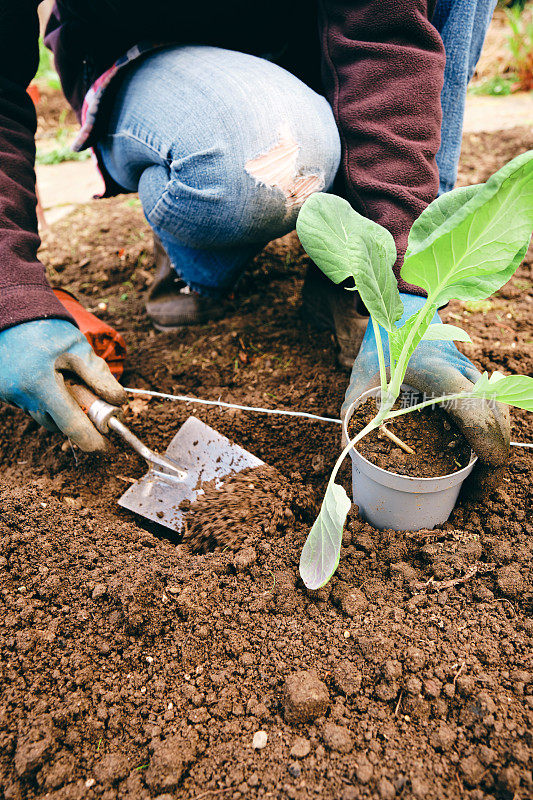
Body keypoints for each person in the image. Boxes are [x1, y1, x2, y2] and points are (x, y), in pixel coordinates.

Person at [0, 1, 508, 470]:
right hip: (150, 55)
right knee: (270, 153)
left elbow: (386, 30)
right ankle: (192, 258)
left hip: (317, 42)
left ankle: (361, 271)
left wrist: (406, 286)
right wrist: (9, 298)